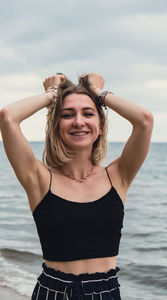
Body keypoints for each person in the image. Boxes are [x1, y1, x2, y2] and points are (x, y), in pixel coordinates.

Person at [0, 72, 153, 299]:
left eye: (88, 113)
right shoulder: (39, 179)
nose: (79, 121)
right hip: (52, 291)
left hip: (105, 292)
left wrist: (98, 93)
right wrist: (52, 94)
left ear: (100, 126)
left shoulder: (118, 175)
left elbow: (144, 120)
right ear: (56, 126)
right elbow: (7, 116)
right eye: (67, 114)